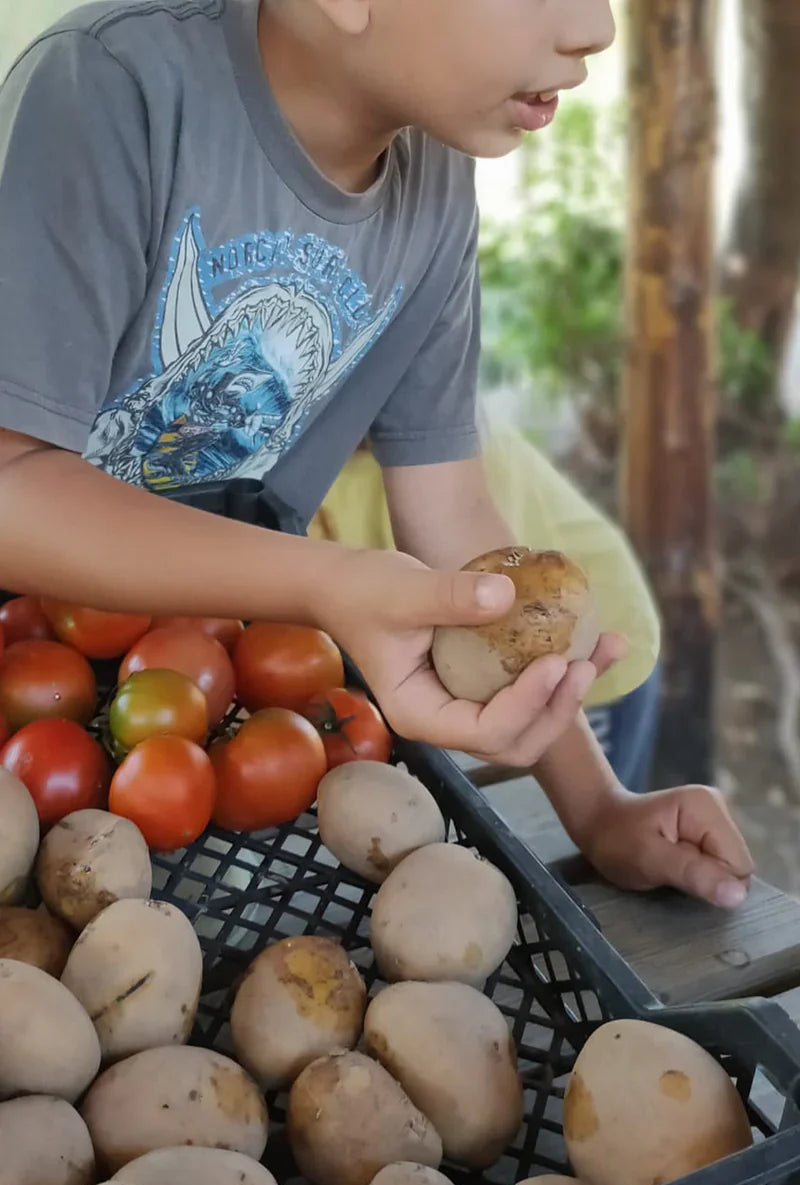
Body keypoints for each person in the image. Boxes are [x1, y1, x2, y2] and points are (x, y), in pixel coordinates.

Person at [0, 0, 752, 909]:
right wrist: (329, 582)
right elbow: (15, 489)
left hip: (215, 689)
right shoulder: (111, 89)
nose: (596, 26)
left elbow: (454, 521)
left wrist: (599, 810)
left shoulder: (436, 180)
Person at [311, 428, 663, 792]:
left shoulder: (429, 451)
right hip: (488, 671)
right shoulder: (313, 475)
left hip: (592, 657)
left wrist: (597, 806)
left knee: (561, 819)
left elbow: (482, 582)